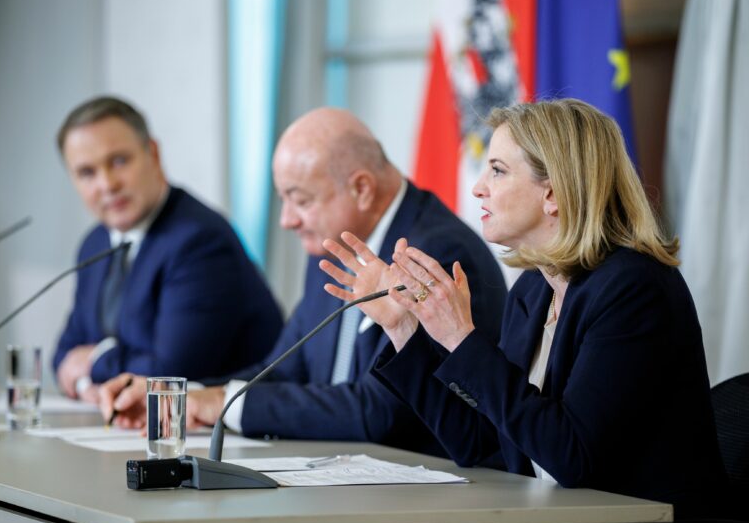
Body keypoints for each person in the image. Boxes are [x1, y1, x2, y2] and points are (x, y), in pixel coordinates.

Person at [322, 99, 725, 517]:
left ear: (552, 193)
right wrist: (403, 328)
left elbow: (573, 458)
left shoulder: (634, 289)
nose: (479, 187)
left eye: (497, 170)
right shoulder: (533, 290)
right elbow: (484, 446)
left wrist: (461, 337)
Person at [100, 107, 507, 455]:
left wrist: (221, 403)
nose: (287, 220)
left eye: (301, 200)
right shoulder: (335, 246)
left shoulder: (432, 253)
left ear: (361, 188)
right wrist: (180, 395)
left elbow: (383, 411)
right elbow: (280, 370)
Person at [54, 96, 283, 401]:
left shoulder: (199, 240)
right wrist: (87, 387)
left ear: (153, 153)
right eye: (87, 173)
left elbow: (172, 372)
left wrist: (96, 361)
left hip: (227, 437)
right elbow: (64, 355)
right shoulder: (95, 243)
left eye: (119, 161)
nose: (107, 184)